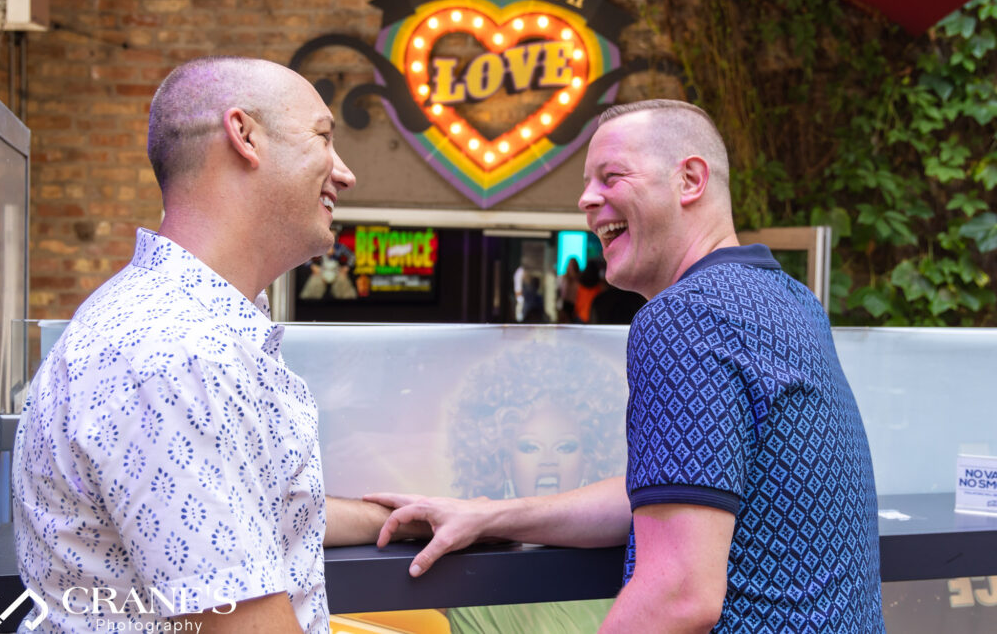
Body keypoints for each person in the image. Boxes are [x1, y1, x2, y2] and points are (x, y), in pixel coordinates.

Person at [368, 100, 885, 632]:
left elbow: (680, 592)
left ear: (689, 180)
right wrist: (492, 515)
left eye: (610, 176)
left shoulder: (684, 315)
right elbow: (677, 488)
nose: (586, 199)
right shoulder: (789, 299)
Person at [12, 56, 416, 633]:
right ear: (244, 135)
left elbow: (240, 505)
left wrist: (397, 518)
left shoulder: (190, 328)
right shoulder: (175, 350)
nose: (344, 172)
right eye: (324, 138)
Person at [446, 347, 625, 633]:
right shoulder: (475, 584)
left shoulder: (624, 559)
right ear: (505, 463)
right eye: (530, 447)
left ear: (589, 459)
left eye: (565, 447)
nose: (548, 461)